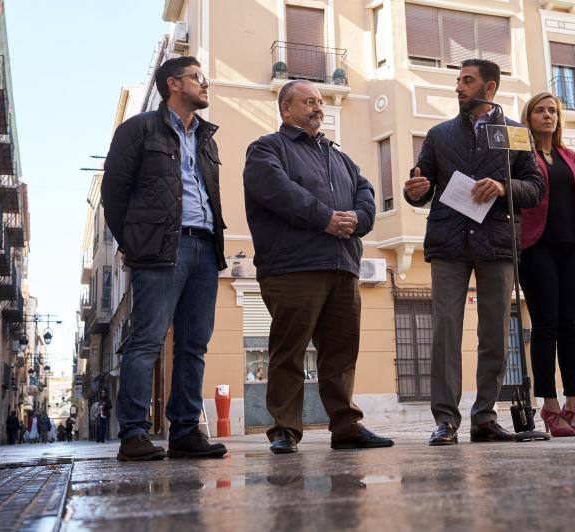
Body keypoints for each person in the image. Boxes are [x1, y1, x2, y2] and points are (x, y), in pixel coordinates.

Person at [243, 79, 394, 454]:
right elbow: (278, 191)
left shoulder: (339, 156)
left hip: (343, 264)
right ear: (286, 109)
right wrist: (325, 217)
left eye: (320, 102)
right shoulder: (266, 149)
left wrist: (357, 221)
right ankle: (285, 429)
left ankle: (345, 426)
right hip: (293, 266)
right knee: (289, 349)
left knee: (342, 351)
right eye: (309, 101)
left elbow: (366, 194)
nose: (318, 107)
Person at [403, 59, 544, 445]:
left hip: (497, 243)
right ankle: (445, 421)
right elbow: (422, 184)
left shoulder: (515, 134)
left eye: (468, 81)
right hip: (449, 242)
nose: (459, 88)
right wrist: (413, 192)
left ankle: (484, 418)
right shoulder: (438, 134)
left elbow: (535, 188)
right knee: (445, 331)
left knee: (495, 333)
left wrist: (502, 187)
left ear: (490, 88)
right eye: (458, 81)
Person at [102, 56, 228, 461]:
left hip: (205, 247)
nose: (204, 84)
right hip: (159, 250)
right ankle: (134, 434)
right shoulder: (138, 130)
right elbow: (114, 195)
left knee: (194, 344)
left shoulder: (207, 139)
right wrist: (138, 242)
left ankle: (186, 430)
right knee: (146, 341)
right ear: (174, 84)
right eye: (197, 78)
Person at [519, 93, 575, 437]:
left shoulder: (570, 156)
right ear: (528, 117)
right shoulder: (521, 157)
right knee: (545, 326)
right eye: (539, 110)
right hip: (537, 247)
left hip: (574, 247)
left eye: (552, 111)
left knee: (572, 326)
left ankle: (573, 406)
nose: (547, 115)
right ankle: (549, 406)